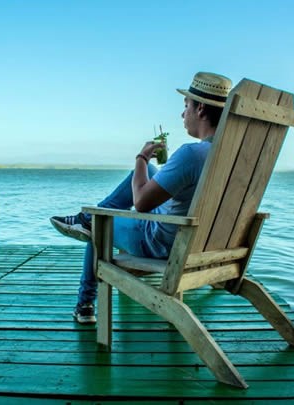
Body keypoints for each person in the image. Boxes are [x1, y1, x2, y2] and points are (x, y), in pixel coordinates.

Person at [50, 72, 232, 324]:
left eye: (186, 106)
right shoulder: (234, 159)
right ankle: (86, 218)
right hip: (204, 243)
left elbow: (142, 203)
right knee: (147, 177)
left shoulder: (192, 154)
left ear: (200, 109)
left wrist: (142, 158)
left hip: (161, 243)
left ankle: (85, 303)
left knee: (101, 223)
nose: (183, 114)